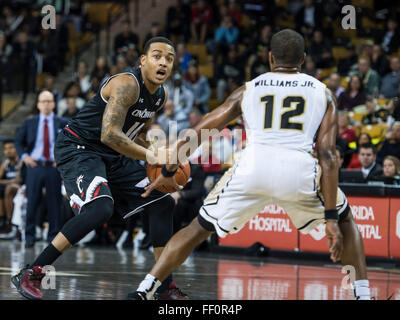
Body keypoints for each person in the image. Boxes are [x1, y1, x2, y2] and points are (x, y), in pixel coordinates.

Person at [129, 29, 371, 301]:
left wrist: (170, 169)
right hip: (299, 170)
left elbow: (202, 129)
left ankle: (145, 291)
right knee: (347, 218)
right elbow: (328, 156)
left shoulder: (249, 88)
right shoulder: (323, 93)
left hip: (253, 167)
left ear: (270, 58)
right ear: (303, 59)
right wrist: (330, 219)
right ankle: (362, 296)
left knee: (198, 229)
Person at [11, 37, 187, 301]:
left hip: (112, 155)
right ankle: (32, 272)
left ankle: (163, 285)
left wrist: (160, 151)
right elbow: (109, 134)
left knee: (162, 202)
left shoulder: (159, 96)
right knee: (100, 208)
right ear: (143, 61)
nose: (163, 62)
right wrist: (153, 155)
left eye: (169, 58)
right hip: (79, 147)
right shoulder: (126, 84)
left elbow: (133, 133)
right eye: (157, 56)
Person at [14, 91, 68, 247]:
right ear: (38, 104)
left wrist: (61, 158)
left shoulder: (62, 122)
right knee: (32, 202)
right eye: (43, 101)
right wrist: (25, 156)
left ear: (53, 104)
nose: (46, 104)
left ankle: (53, 238)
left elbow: (69, 142)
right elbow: (18, 141)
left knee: (54, 203)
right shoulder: (29, 122)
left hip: (52, 166)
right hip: (35, 166)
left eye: (49, 101)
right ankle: (29, 236)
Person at [0, 140, 21, 235]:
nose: (8, 151)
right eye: (6, 149)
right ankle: (3, 221)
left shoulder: (20, 161)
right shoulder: (5, 164)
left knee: (9, 188)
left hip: (22, 187)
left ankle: (11, 224)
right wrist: (10, 181)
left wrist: (9, 182)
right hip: (10, 188)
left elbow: (18, 180)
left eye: (11, 148)